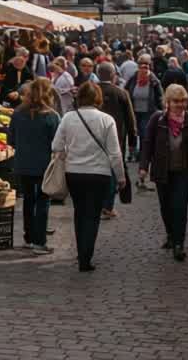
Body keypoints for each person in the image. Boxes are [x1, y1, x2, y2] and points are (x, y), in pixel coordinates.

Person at [52, 82, 126, 272]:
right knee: (92, 215)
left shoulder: (68, 118)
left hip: (74, 172)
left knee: (79, 212)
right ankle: (86, 256)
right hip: (98, 173)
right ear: (98, 98)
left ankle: (81, 251)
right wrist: (120, 177)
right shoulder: (106, 119)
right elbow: (115, 153)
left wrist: (69, 152)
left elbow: (56, 146)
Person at [140, 84, 188, 261]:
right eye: (176, 101)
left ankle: (179, 243)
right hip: (162, 170)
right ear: (167, 102)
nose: (180, 105)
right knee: (166, 207)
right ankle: (170, 234)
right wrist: (143, 166)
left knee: (179, 207)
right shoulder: (158, 119)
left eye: (183, 101)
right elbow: (147, 143)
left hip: (184, 171)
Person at [8, 78, 60, 254]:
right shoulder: (52, 116)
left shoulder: (17, 113)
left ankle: (29, 237)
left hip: (23, 164)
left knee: (28, 200)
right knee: (43, 200)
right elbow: (57, 144)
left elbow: (11, 140)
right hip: (44, 165)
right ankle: (39, 241)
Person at [96, 62, 135, 218]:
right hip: (116, 138)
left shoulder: (92, 92)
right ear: (113, 76)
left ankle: (99, 204)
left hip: (94, 139)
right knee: (112, 171)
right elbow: (130, 120)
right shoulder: (121, 93)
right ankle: (108, 206)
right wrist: (132, 141)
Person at [124, 56, 163, 182]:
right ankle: (133, 152)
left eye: (146, 67)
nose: (143, 69)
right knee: (134, 132)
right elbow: (126, 91)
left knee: (144, 133)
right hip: (134, 110)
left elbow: (160, 96)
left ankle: (143, 155)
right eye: (141, 67)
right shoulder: (133, 79)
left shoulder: (154, 81)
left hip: (148, 111)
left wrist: (162, 109)